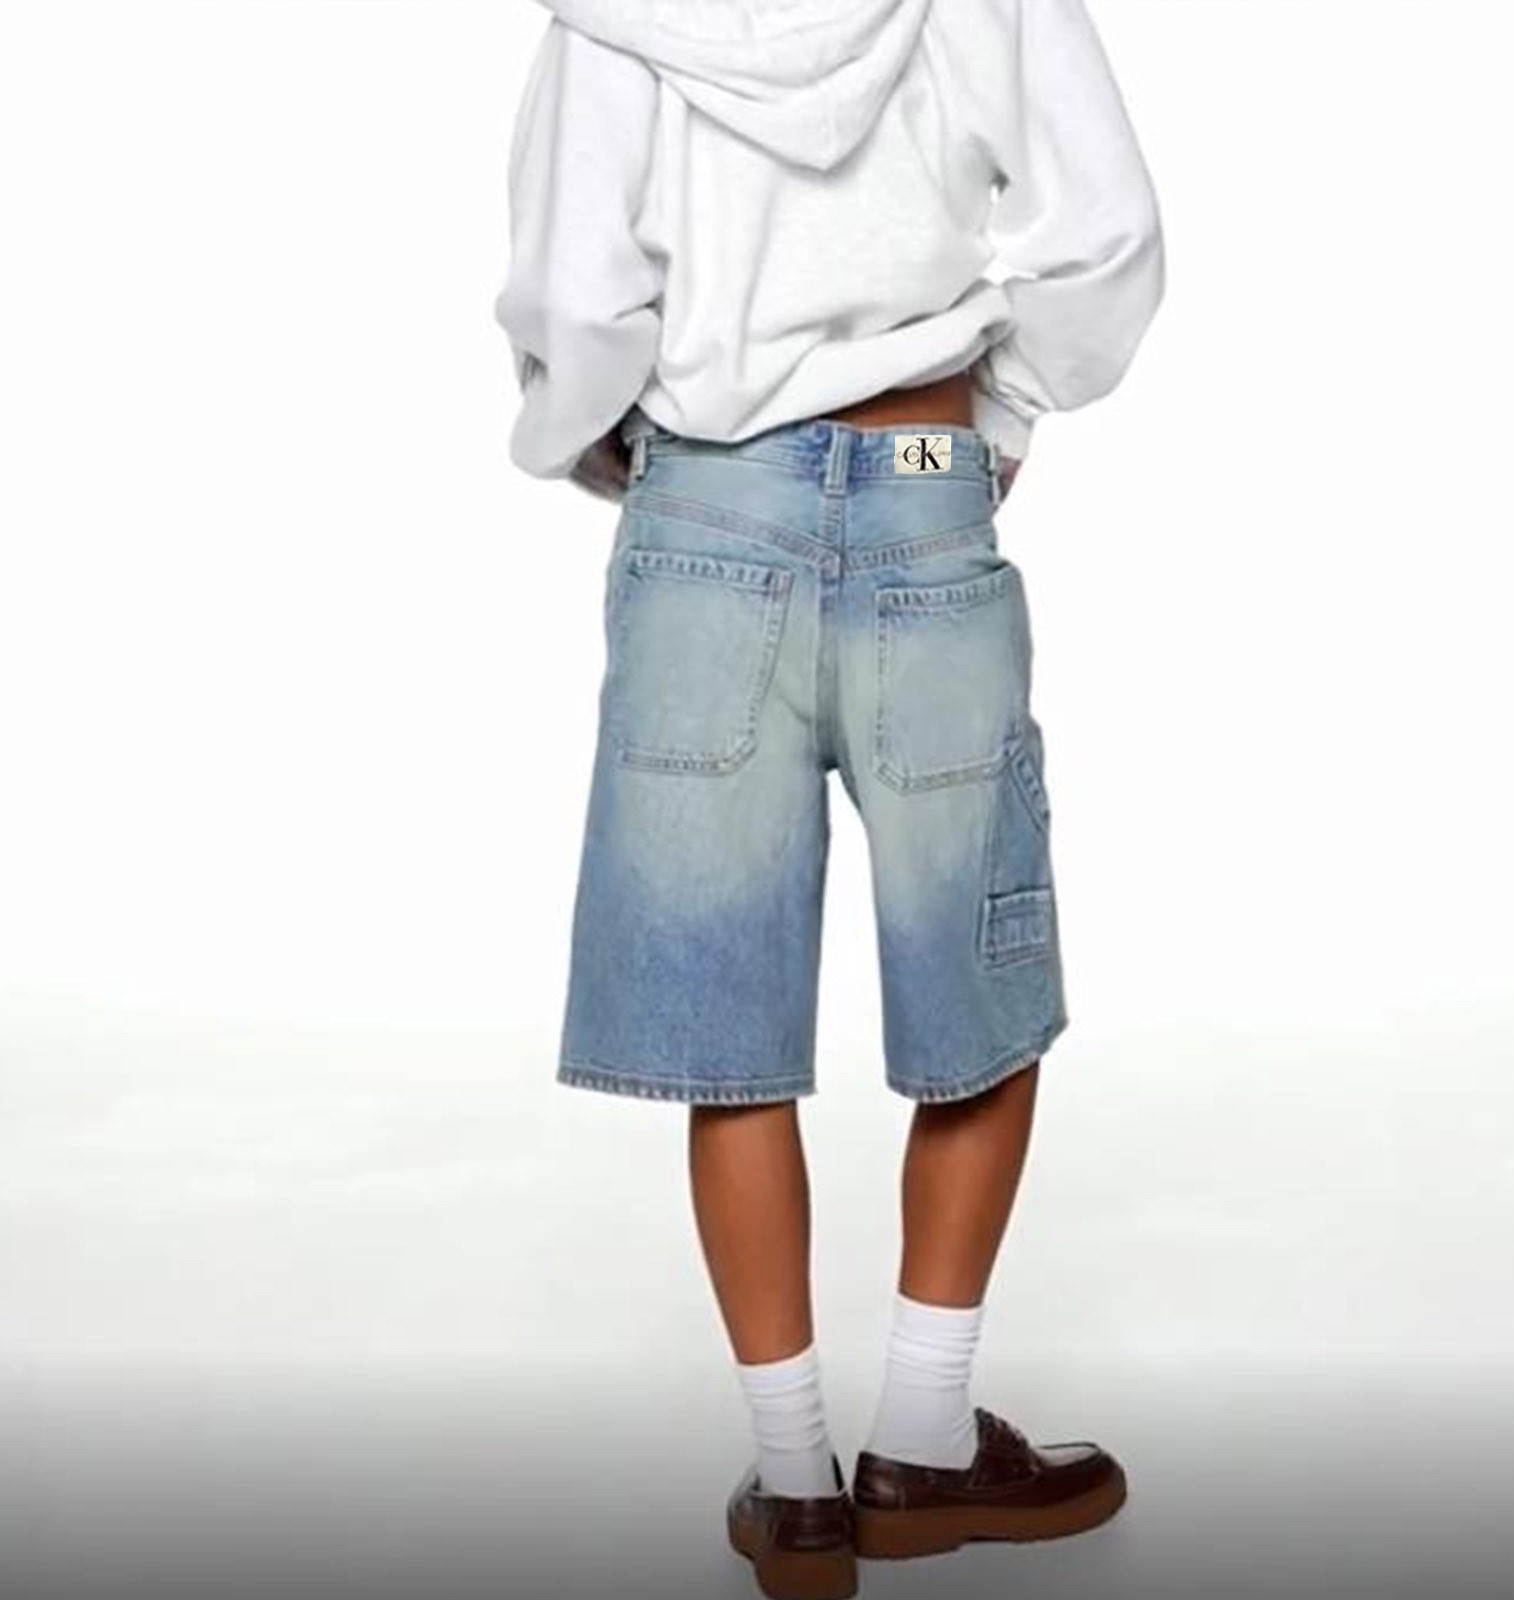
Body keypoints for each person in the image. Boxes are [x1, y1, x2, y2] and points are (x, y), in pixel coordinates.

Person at [494, 2, 1165, 1595]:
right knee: (977, 978)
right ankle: (923, 1440)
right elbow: (1110, 235)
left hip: (706, 515)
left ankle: (795, 1485)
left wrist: (622, 455)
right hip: (926, 486)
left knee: (724, 1014)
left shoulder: (614, 15)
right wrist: (998, 415)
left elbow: (577, 294)